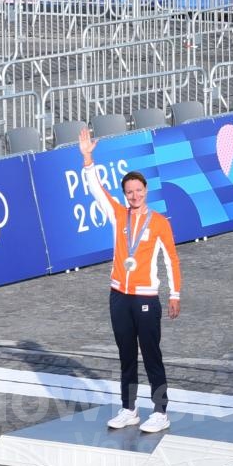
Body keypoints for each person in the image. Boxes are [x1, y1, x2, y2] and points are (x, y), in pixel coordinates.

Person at [78, 128, 181, 434]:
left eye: (139, 190)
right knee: (125, 355)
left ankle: (161, 411)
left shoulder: (159, 222)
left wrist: (175, 294)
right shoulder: (118, 215)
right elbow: (96, 189)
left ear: (146, 190)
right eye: (129, 192)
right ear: (125, 195)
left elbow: (171, 260)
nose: (134, 195)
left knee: (151, 355)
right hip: (119, 297)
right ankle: (129, 409)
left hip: (147, 298)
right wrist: (87, 157)